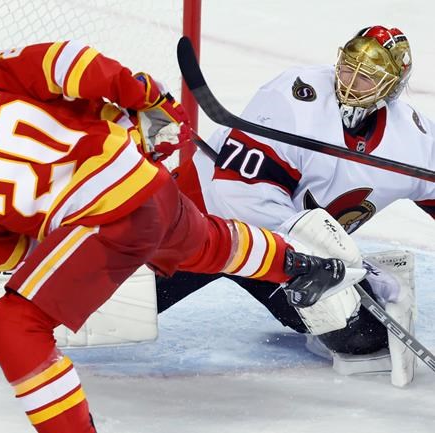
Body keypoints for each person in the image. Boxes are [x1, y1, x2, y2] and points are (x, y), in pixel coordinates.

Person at [0, 41, 345, 432]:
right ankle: (302, 264)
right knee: (205, 244)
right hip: (149, 188)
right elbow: (75, 65)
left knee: (13, 324)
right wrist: (146, 97)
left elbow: (15, 256)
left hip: (104, 224)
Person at [158, 26, 434, 383]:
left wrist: (345, 269)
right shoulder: (293, 96)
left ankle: (324, 320)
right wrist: (349, 262)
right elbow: (239, 197)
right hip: (203, 222)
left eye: (367, 76)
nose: (350, 81)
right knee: (105, 308)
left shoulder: (412, 139)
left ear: (392, 87)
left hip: (293, 259)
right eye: (347, 67)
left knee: (365, 336)